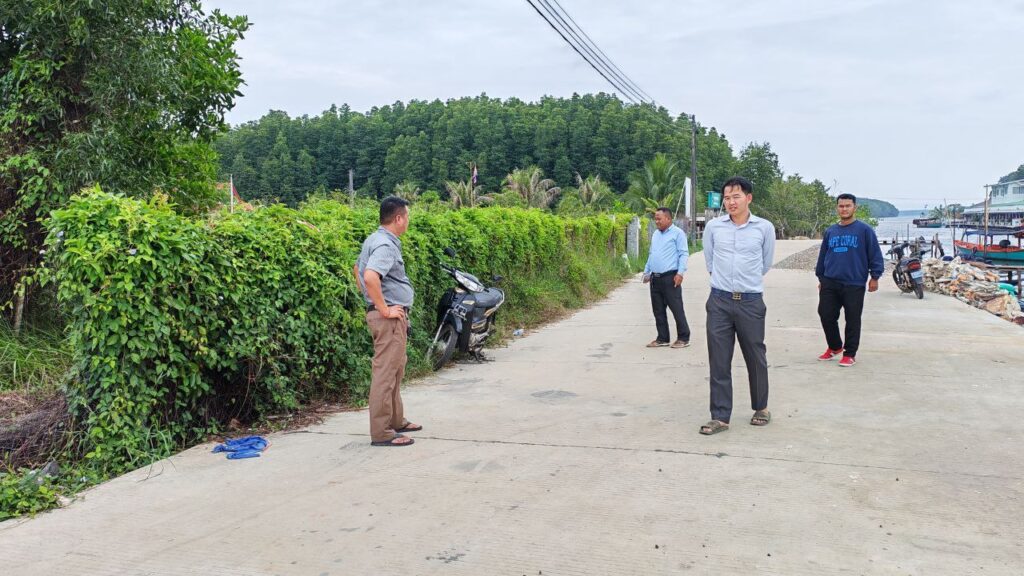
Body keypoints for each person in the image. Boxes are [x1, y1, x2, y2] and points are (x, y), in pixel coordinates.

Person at [700, 177, 776, 435]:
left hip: (750, 302)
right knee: (719, 359)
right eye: (727, 198)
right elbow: (710, 261)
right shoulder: (714, 227)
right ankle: (720, 417)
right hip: (719, 301)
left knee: (755, 356)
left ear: (748, 198)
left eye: (736, 197)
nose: (731, 202)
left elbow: (765, 263)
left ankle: (761, 407)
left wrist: (745, 282)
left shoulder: (764, 228)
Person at [354, 197, 421, 447]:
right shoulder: (384, 244)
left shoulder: (374, 239)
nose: (408, 221)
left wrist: (370, 299)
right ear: (399, 218)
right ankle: (382, 433)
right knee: (385, 374)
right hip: (388, 320)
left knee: (395, 369)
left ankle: (396, 420)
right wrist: (384, 309)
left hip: (388, 317)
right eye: (407, 216)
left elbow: (357, 270)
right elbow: (370, 276)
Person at [814, 193, 884, 367]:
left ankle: (850, 353)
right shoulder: (831, 231)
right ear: (837, 208)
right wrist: (821, 277)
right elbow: (823, 256)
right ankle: (835, 346)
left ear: (854, 207)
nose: (844, 209)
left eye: (847, 206)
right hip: (830, 281)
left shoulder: (865, 230)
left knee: (852, 319)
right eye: (841, 206)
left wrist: (875, 277)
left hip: (854, 282)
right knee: (825, 314)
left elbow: (874, 254)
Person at [642, 207, 691, 349]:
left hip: (671, 277)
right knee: (658, 310)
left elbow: (683, 254)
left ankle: (683, 338)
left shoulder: (678, 233)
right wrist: (646, 272)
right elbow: (652, 254)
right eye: (655, 219)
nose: (656, 221)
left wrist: (680, 273)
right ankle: (662, 338)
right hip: (655, 278)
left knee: (676, 308)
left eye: (659, 219)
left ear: (668, 219)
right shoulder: (655, 234)